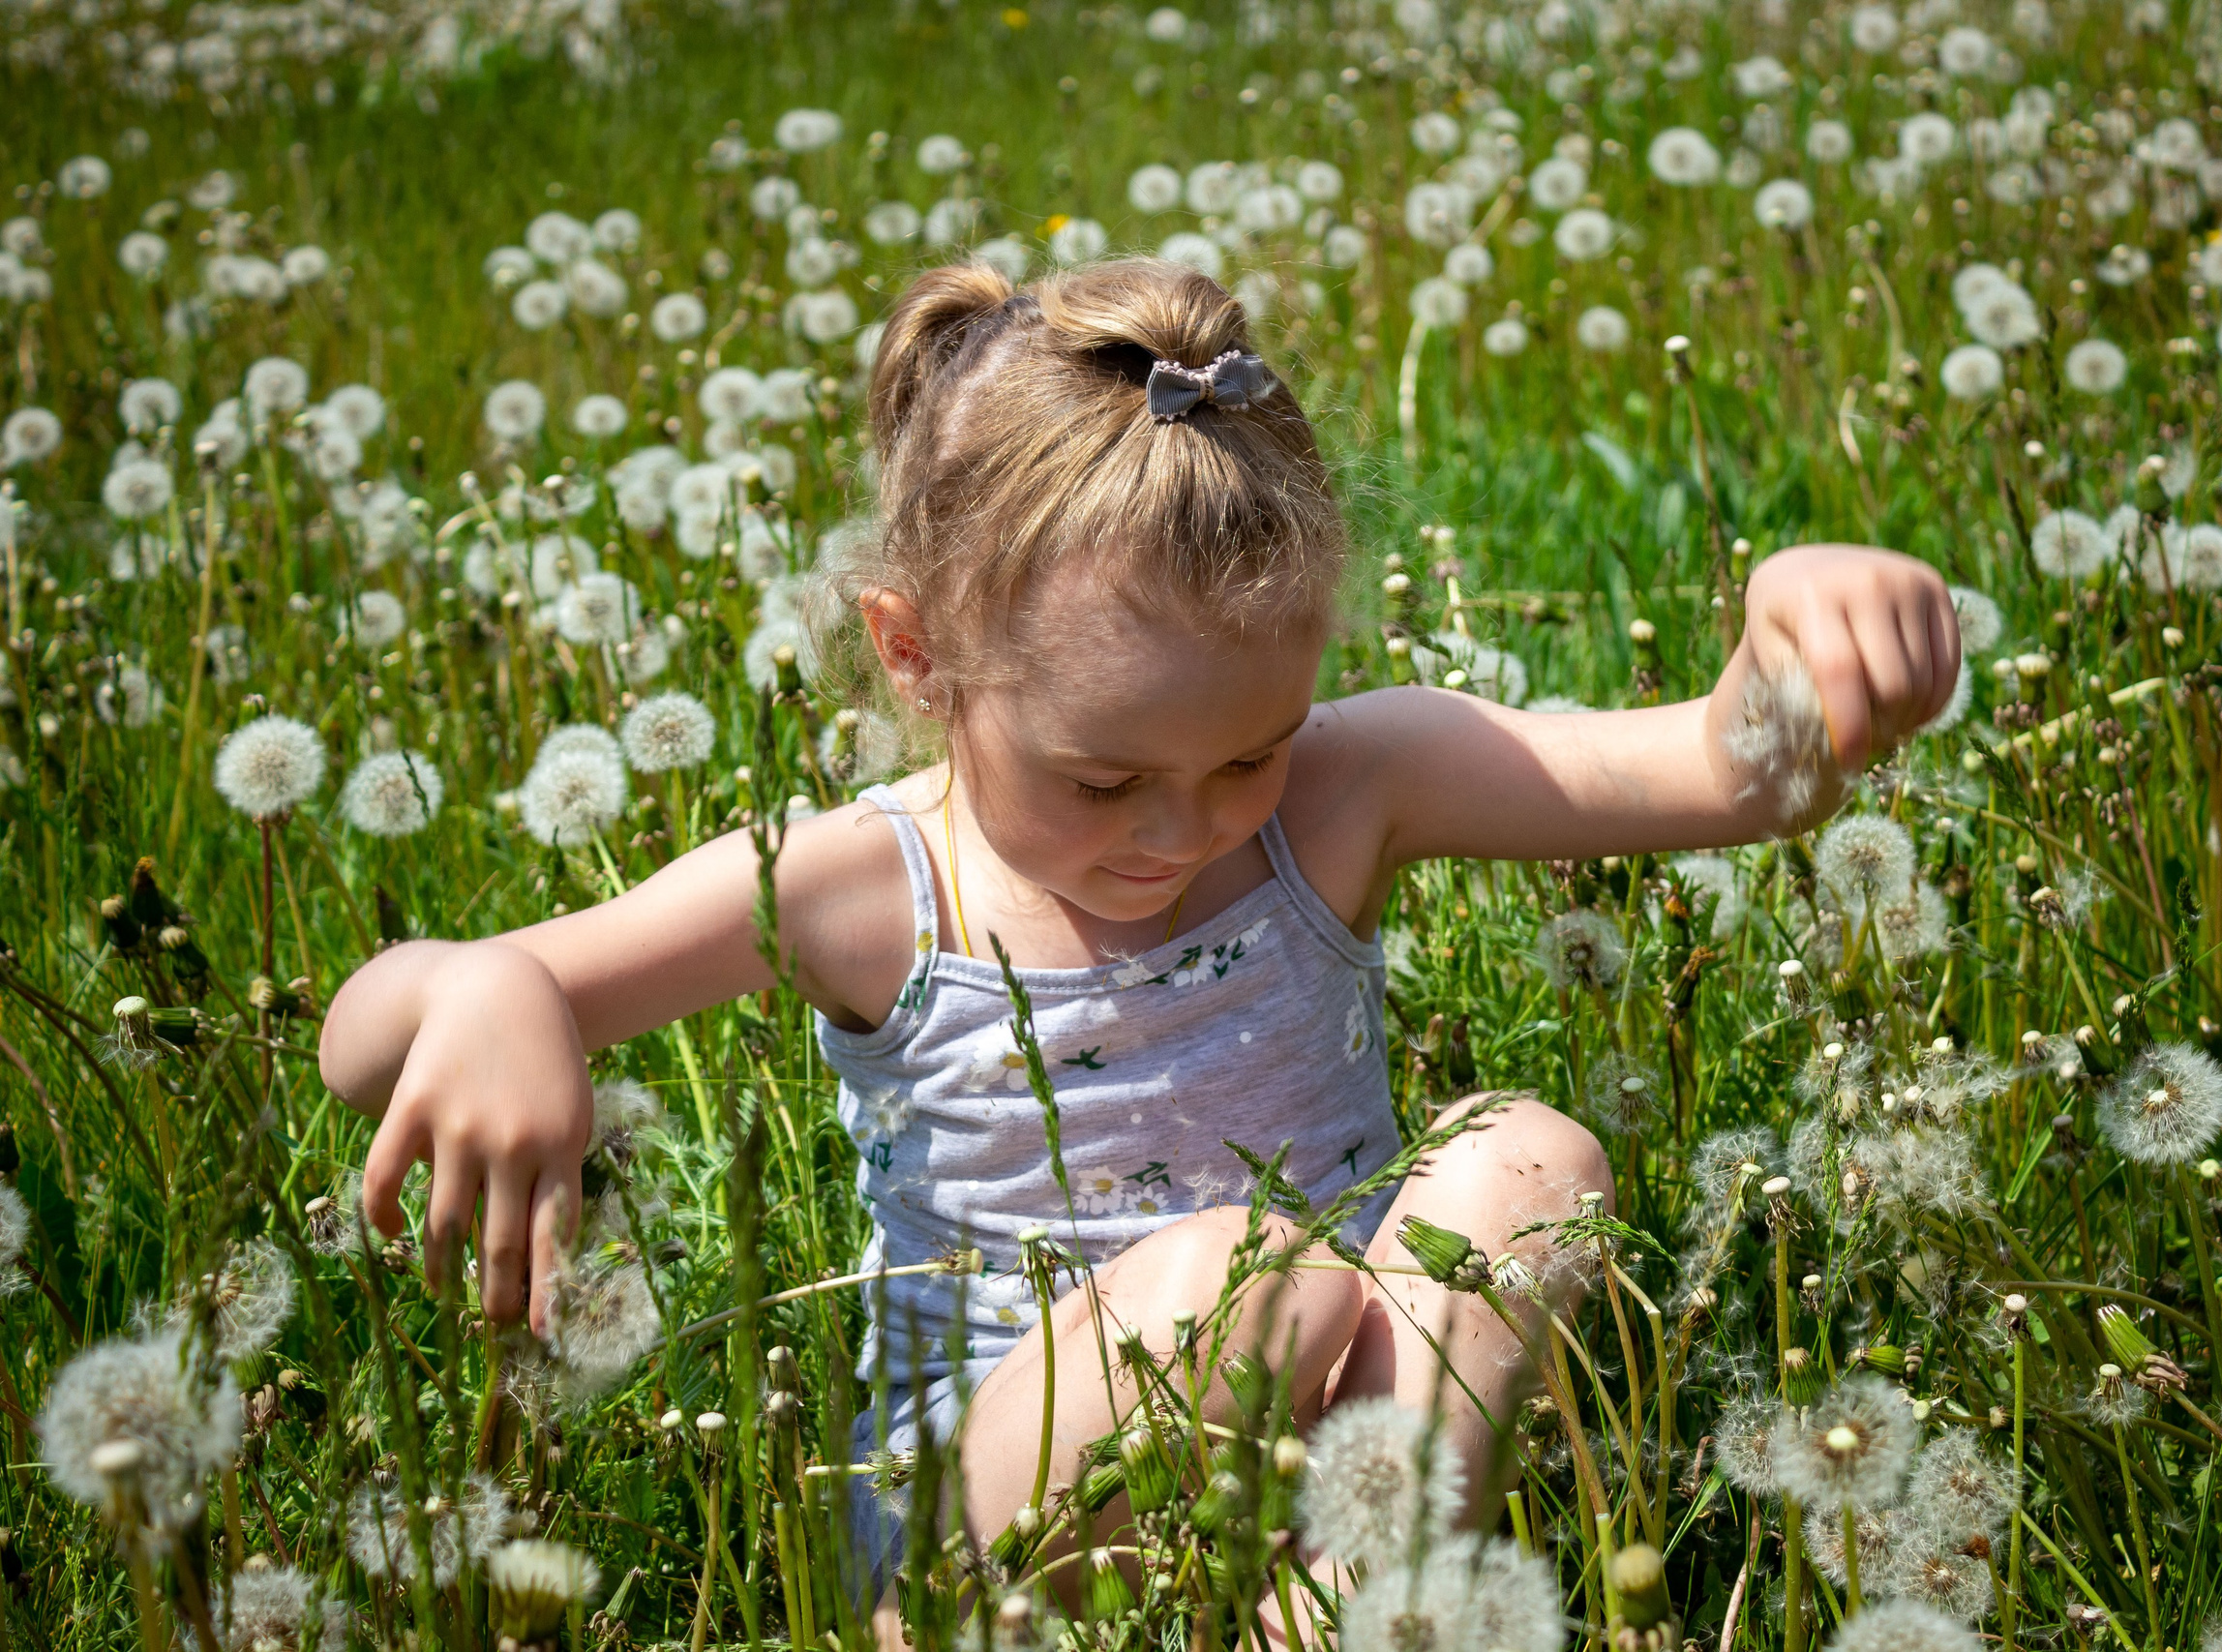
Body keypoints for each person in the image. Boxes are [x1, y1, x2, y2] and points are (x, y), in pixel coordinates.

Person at [317, 255, 1960, 1637]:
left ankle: (1351, 1612)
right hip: (988, 1539)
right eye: (1102, 778)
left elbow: (1727, 773)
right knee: (1237, 1291)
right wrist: (490, 989)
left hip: (1329, 1455)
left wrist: (1803, 632)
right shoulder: (866, 889)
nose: (1185, 830)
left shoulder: (1349, 790)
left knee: (1532, 1163)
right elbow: (365, 1030)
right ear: (915, 657)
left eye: (1248, 753)